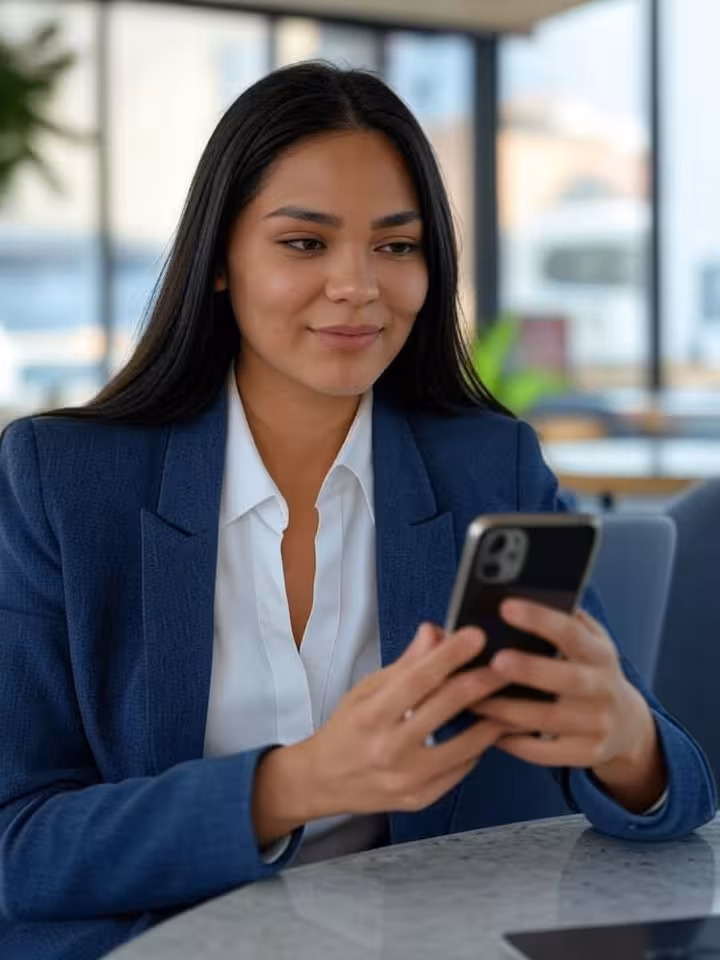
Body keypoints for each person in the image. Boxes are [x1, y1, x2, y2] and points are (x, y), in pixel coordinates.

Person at [0, 62, 715, 960]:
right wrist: (290, 787)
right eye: (305, 243)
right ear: (221, 259)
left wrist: (626, 740)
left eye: (396, 245)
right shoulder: (63, 481)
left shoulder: (486, 467)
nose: (358, 285)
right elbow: (15, 846)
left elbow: (680, 800)